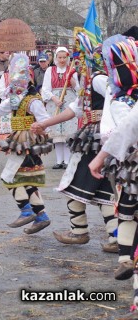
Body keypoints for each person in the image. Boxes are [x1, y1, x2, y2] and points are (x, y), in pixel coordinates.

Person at [31, 32, 117, 253]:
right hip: (98, 137)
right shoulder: (89, 82)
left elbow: (114, 94)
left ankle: (80, 231)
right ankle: (115, 238)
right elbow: (73, 110)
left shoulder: (99, 79)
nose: (77, 64)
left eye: (81, 60)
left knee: (74, 185)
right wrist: (45, 123)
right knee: (105, 191)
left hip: (96, 138)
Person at [0, 53, 53, 234]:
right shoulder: (16, 98)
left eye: (17, 81)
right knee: (27, 181)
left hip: (26, 142)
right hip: (19, 140)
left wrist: (41, 130)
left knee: (9, 177)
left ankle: (26, 210)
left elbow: (45, 119)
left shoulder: (33, 101)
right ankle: (41, 216)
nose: (15, 85)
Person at [88, 34, 138, 281]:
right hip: (129, 160)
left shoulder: (121, 99)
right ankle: (124, 259)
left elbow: (126, 129)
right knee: (128, 210)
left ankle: (126, 259)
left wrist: (100, 157)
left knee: (128, 209)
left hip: (131, 162)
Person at [41, 46, 79, 169]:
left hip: (69, 101)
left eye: (64, 57)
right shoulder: (50, 70)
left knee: (67, 132)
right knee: (57, 132)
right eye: (60, 57)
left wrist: (72, 79)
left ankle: (67, 161)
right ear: (56, 58)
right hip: (54, 102)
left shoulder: (71, 70)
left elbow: (78, 89)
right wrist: (54, 98)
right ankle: (59, 160)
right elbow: (46, 88)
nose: (62, 60)